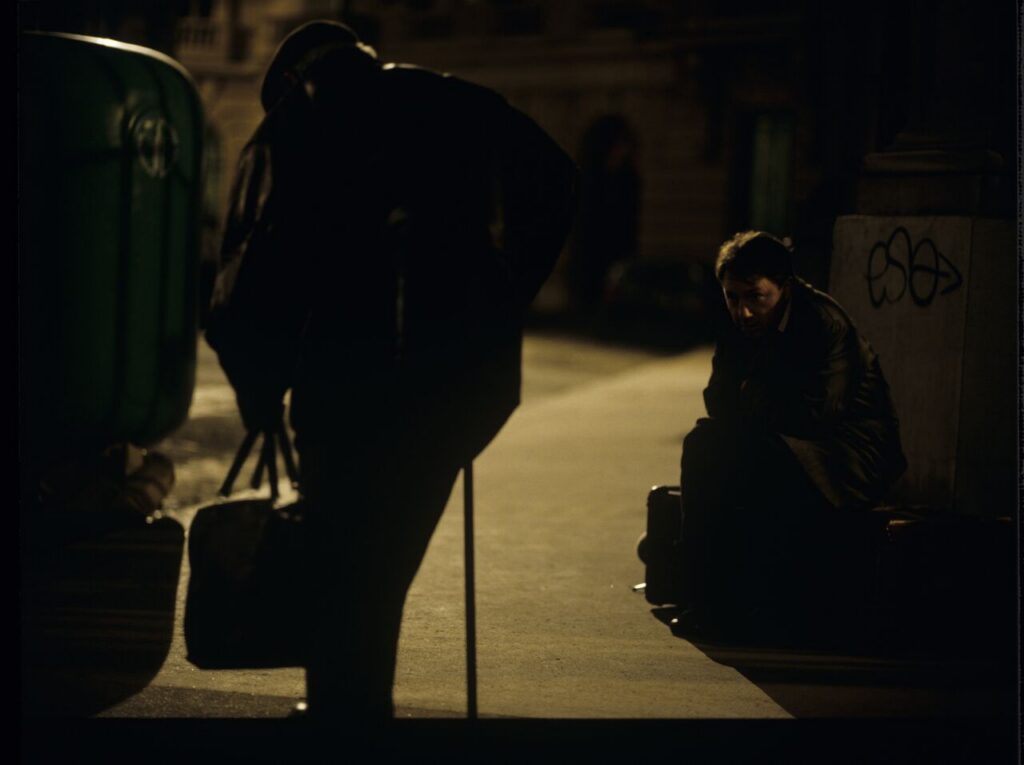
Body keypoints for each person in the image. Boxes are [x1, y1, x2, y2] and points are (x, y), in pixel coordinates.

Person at [205, 21, 577, 719]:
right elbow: (557, 179)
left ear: (291, 80)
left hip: (346, 388)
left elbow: (251, 279)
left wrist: (259, 393)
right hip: (460, 388)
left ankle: (347, 711)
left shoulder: (298, 118)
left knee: (345, 569)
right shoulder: (456, 101)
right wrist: (499, 298)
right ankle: (356, 703)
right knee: (382, 566)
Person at [670, 231, 907, 639]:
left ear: (784, 287)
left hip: (848, 457)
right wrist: (753, 400)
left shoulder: (821, 323)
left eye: (755, 296)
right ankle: (702, 599)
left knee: (740, 456)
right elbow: (718, 401)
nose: (743, 310)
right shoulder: (739, 324)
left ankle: (728, 606)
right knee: (704, 443)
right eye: (732, 297)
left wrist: (751, 396)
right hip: (784, 441)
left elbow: (815, 415)